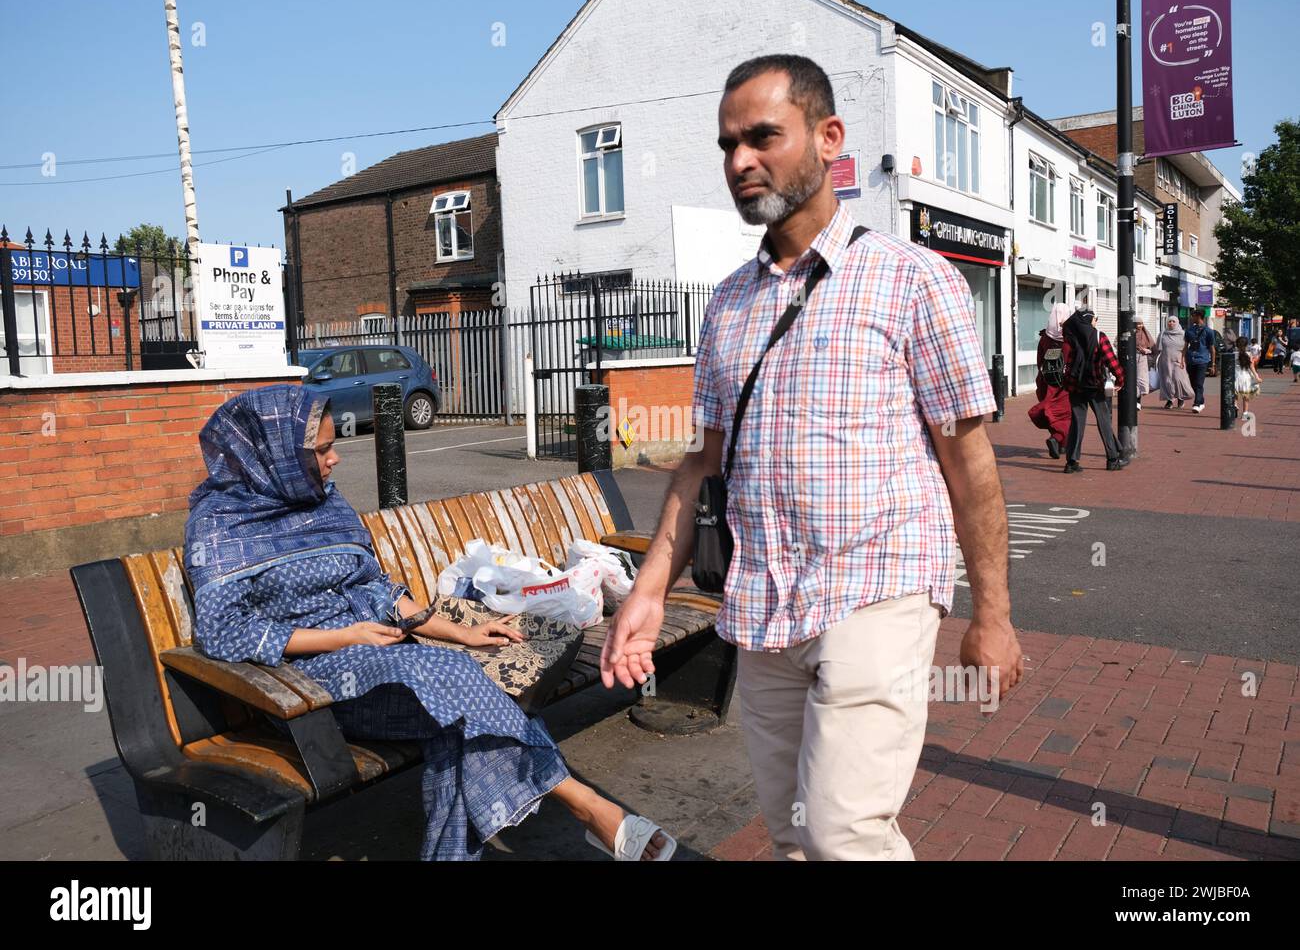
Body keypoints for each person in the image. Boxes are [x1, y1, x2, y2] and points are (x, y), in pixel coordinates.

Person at [601, 54, 1021, 861]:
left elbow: (970, 465)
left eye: (763, 137)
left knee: (845, 834)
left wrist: (992, 617)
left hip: (876, 585)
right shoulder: (728, 302)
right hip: (764, 604)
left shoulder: (913, 279)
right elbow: (702, 463)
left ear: (829, 138)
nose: (739, 162)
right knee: (793, 830)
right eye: (728, 145)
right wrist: (650, 592)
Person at [186, 384, 674, 861]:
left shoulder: (324, 505)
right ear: (274, 455)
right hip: (306, 688)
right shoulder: (219, 527)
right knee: (454, 686)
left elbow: (378, 589)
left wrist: (461, 631)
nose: (335, 459)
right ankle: (587, 806)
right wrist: (346, 636)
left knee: (455, 728)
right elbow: (223, 632)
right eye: (322, 450)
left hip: (390, 664)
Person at [1061, 307, 1126, 472]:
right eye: (1095, 319)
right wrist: (1120, 379)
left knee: (1077, 423)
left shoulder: (1070, 336)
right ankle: (1112, 459)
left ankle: (1072, 462)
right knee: (1104, 421)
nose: (1096, 322)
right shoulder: (1099, 336)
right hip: (1094, 385)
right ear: (1089, 320)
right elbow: (1111, 361)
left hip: (1075, 386)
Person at [1028, 302, 1072, 458]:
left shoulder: (1045, 337)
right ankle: (1057, 439)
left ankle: (1062, 445)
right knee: (1066, 415)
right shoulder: (1069, 337)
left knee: (1052, 413)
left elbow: (1040, 360)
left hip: (1046, 381)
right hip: (1064, 383)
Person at [1182, 310, 1217, 413]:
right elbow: (1185, 346)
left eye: (1193, 316)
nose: (1191, 318)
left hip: (1202, 360)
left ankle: (1197, 404)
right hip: (1190, 359)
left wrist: (1212, 365)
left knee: (1199, 383)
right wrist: (1182, 359)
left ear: (1198, 317)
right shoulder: (1189, 330)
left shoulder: (1209, 331)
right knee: (1193, 383)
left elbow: (1212, 349)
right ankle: (1201, 401)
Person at [1155, 315, 1194, 408]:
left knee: (1178, 379)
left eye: (1173, 321)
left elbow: (1187, 347)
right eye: (1169, 321)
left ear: (1177, 323)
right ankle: (1170, 400)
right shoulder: (1163, 334)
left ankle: (1181, 398)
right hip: (1165, 360)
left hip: (1179, 360)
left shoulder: (1183, 334)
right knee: (1168, 381)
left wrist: (1183, 359)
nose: (1171, 323)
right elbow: (1158, 348)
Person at [1234, 338, 1261, 418]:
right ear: (1246, 345)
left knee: (1235, 393)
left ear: (1236, 345)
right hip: (1245, 377)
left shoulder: (1234, 354)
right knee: (1246, 396)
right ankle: (1245, 413)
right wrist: (1257, 377)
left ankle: (1235, 404)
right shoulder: (1249, 354)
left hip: (1236, 375)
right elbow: (1251, 367)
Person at [1134, 314, 1157, 410]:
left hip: (1143, 360)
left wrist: (1147, 351)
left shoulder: (1145, 334)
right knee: (1132, 380)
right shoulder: (1129, 332)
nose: (1139, 326)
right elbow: (1117, 343)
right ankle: (1134, 401)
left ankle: (1138, 401)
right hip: (1130, 359)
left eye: (1141, 324)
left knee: (1140, 380)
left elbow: (1153, 347)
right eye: (1137, 324)